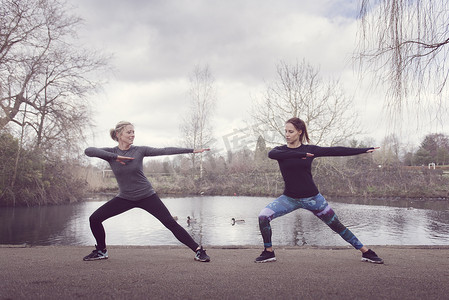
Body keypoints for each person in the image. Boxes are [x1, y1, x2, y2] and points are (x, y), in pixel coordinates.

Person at [255, 117, 383, 264]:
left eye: (291, 131)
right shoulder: (280, 151)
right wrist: (299, 155)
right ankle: (268, 252)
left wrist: (362, 150)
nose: (287, 134)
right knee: (263, 217)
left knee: (337, 226)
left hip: (313, 199)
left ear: (299, 132)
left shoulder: (310, 150)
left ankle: (366, 252)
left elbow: (335, 151)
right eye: (286, 131)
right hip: (289, 199)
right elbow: (272, 154)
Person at [83, 121, 210, 262]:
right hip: (125, 198)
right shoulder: (111, 153)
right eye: (129, 132)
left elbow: (164, 150)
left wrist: (192, 150)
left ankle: (198, 251)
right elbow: (88, 151)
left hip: (146, 196)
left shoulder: (139, 150)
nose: (132, 135)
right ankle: (101, 251)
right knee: (94, 219)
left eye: (133, 132)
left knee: (170, 223)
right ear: (119, 134)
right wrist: (115, 157)